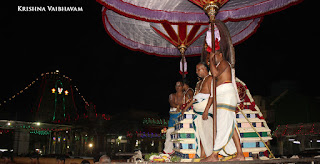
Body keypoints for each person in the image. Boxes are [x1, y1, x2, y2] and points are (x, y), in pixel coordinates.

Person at [201, 28, 245, 162]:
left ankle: (214, 155)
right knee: (230, 125)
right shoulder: (220, 64)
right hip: (223, 96)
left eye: (213, 57)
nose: (210, 60)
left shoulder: (224, 63)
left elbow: (214, 74)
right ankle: (240, 154)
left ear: (219, 54)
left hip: (226, 96)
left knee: (222, 124)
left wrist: (212, 60)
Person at [183, 63, 214, 158]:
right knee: (201, 135)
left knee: (207, 134)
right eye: (196, 70)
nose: (196, 72)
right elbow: (195, 98)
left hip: (205, 112)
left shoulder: (210, 78)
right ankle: (203, 155)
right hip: (198, 113)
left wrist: (206, 111)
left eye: (198, 69)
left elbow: (212, 96)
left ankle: (210, 155)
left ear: (205, 69)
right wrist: (186, 107)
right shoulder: (200, 82)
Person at [163, 81, 184, 154]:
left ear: (182, 87)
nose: (178, 87)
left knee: (181, 135)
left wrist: (182, 108)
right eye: (176, 86)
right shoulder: (172, 95)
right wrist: (177, 106)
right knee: (169, 133)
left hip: (182, 118)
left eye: (179, 86)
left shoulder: (185, 96)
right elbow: (172, 103)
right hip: (173, 118)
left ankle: (180, 152)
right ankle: (168, 152)